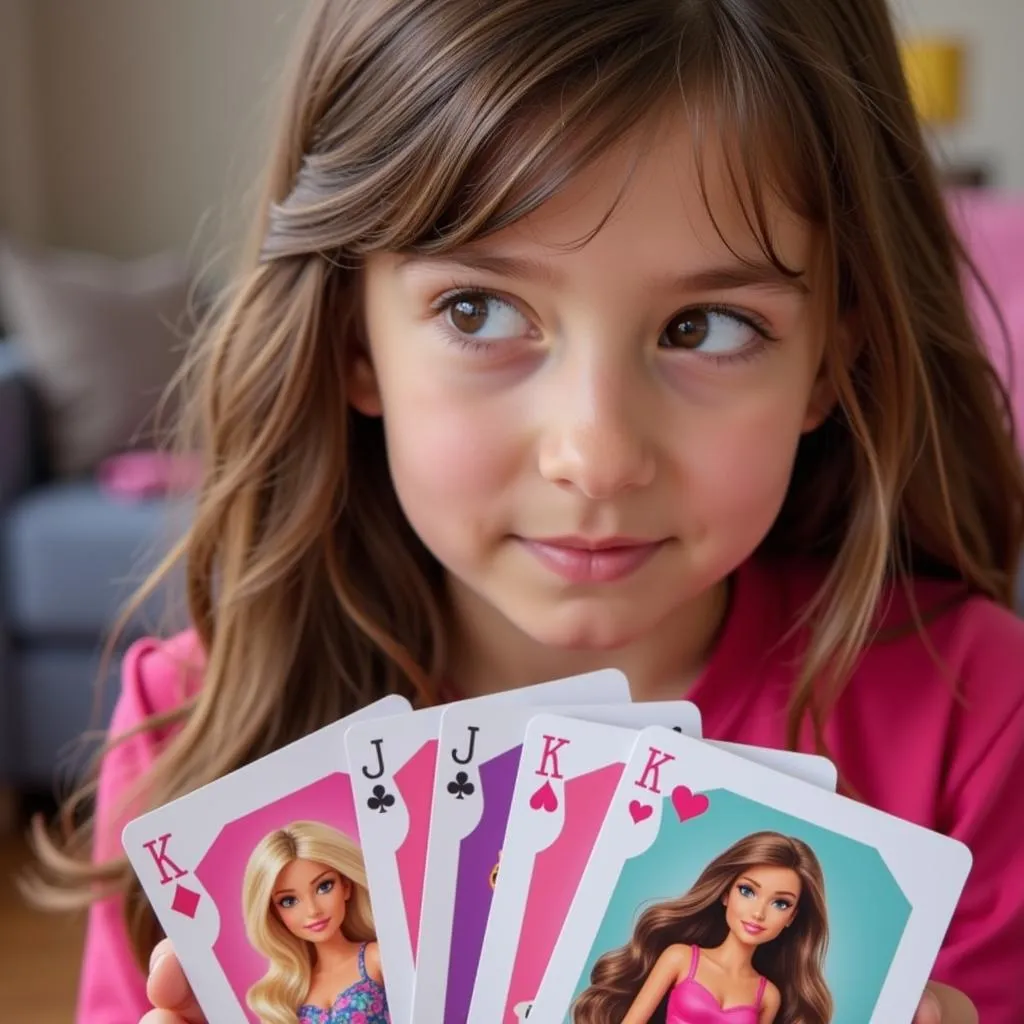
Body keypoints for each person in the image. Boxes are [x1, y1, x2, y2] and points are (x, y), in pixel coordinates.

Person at [24, 0, 1024, 1021]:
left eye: (706, 325)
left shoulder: (979, 713)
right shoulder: (196, 727)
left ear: (831, 358)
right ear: (351, 339)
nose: (593, 457)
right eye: (480, 310)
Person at [573, 832, 831, 1024]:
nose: (758, 912)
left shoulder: (768, 997)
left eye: (780, 903)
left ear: (792, 917)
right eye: (747, 891)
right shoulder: (681, 958)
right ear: (726, 894)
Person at [241, 821, 387, 1024]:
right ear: (275, 914)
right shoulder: (285, 995)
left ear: (346, 886)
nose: (312, 910)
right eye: (289, 901)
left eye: (324, 886)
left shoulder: (377, 958)